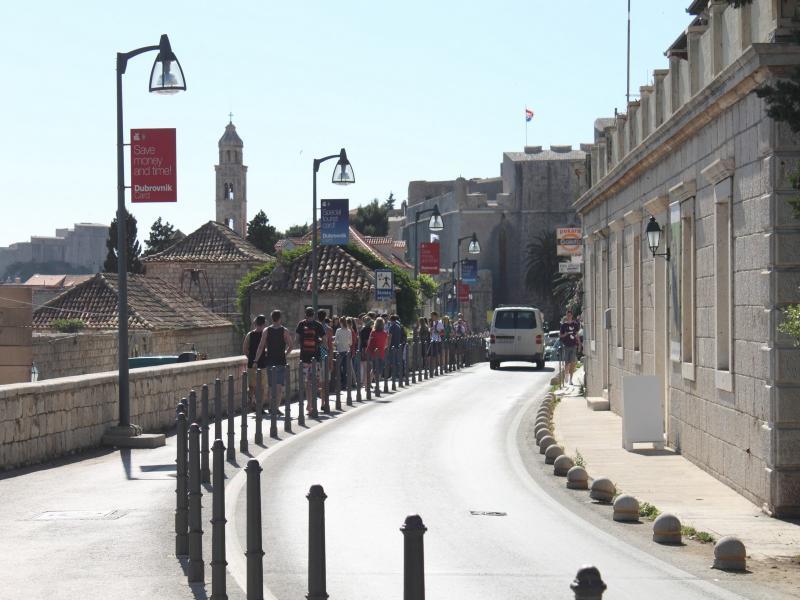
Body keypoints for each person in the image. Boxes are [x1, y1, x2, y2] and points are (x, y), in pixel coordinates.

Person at [254, 309, 292, 416]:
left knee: (271, 387)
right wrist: (285, 354)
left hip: (270, 361)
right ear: (280, 318)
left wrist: (256, 360)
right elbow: (291, 345)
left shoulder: (266, 330)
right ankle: (276, 408)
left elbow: (261, 346)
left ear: (272, 318)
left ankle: (271, 407)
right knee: (279, 387)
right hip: (280, 361)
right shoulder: (284, 330)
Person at [296, 307, 326, 416]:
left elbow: (297, 339)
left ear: (305, 314)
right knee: (314, 382)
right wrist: (318, 342)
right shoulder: (318, 325)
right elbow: (324, 340)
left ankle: (308, 404)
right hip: (315, 358)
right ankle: (313, 405)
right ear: (313, 315)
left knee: (307, 382)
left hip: (304, 357)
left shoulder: (301, 324)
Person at [242, 315, 268, 410]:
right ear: (264, 323)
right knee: (262, 387)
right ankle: (259, 406)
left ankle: (251, 401)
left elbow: (244, 349)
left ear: (255, 323)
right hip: (262, 363)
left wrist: (251, 357)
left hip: (251, 364)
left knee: (252, 386)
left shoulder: (250, 334)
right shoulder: (265, 335)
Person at [366, 317, 389, 395]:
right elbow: (386, 344)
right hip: (381, 353)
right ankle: (377, 385)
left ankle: (368, 384)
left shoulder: (373, 333)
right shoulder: (385, 333)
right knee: (378, 370)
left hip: (373, 353)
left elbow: (369, 342)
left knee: (373, 369)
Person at [559, 309, 580, 385]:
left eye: (570, 315)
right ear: (566, 316)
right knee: (567, 363)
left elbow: (577, 335)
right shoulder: (564, 325)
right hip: (566, 346)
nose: (569, 316)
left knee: (573, 363)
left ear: (572, 316)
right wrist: (565, 334)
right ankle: (566, 375)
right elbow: (560, 335)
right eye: (567, 315)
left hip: (573, 345)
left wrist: (579, 344)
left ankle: (571, 380)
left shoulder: (575, 324)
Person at [334, 316, 353, 388]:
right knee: (345, 369)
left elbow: (335, 342)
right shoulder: (349, 331)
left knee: (338, 368)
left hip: (340, 351)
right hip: (347, 351)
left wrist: (338, 343)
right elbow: (350, 343)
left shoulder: (338, 331)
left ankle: (340, 382)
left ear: (340, 322)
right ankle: (345, 384)